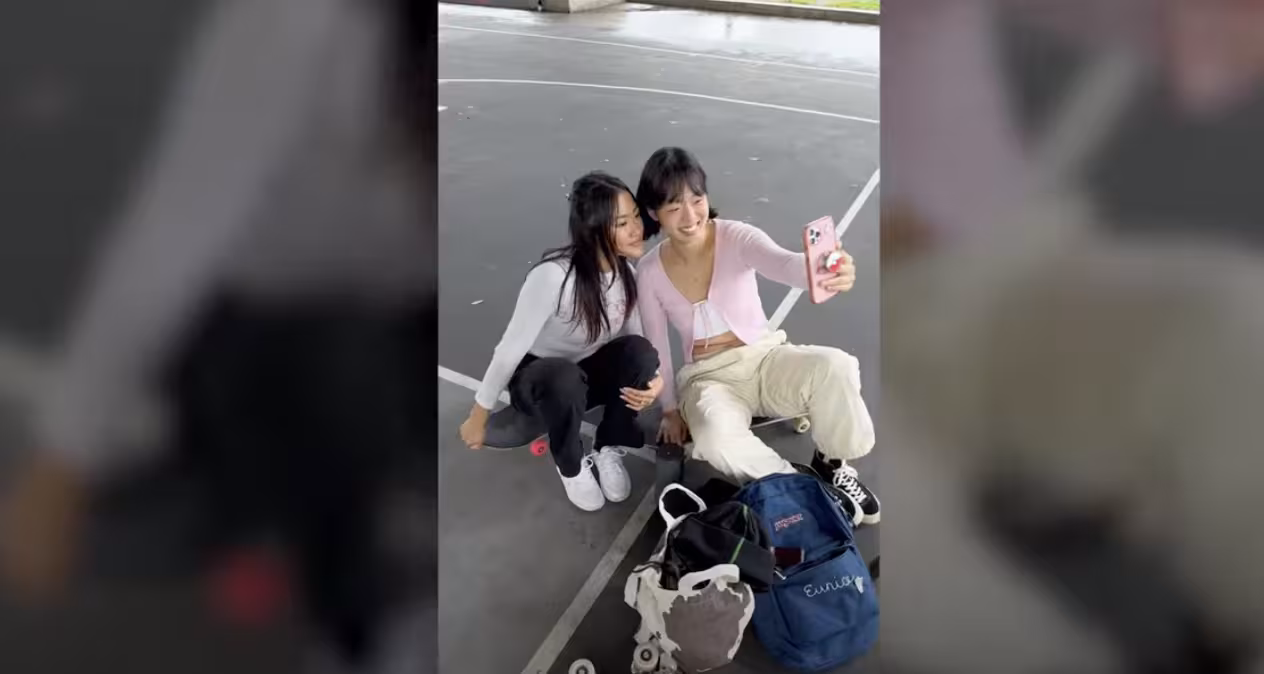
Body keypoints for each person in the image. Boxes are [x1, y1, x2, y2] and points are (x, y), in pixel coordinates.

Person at [634, 147, 880, 526]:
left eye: (697, 200)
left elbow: (783, 264)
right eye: (674, 206)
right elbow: (657, 347)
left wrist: (821, 270)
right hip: (708, 377)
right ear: (653, 212)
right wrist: (669, 409)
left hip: (764, 357)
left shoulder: (736, 236)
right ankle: (799, 486)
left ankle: (831, 462)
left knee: (837, 366)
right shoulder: (649, 271)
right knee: (714, 438)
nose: (690, 216)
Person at [458, 172, 663, 512]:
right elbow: (509, 351)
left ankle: (609, 445)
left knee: (641, 354)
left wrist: (655, 380)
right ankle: (570, 465)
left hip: (583, 376)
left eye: (636, 217)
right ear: (594, 229)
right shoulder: (553, 277)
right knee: (563, 377)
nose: (637, 229)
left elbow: (636, 342)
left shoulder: (628, 275)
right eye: (622, 223)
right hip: (539, 381)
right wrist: (478, 417)